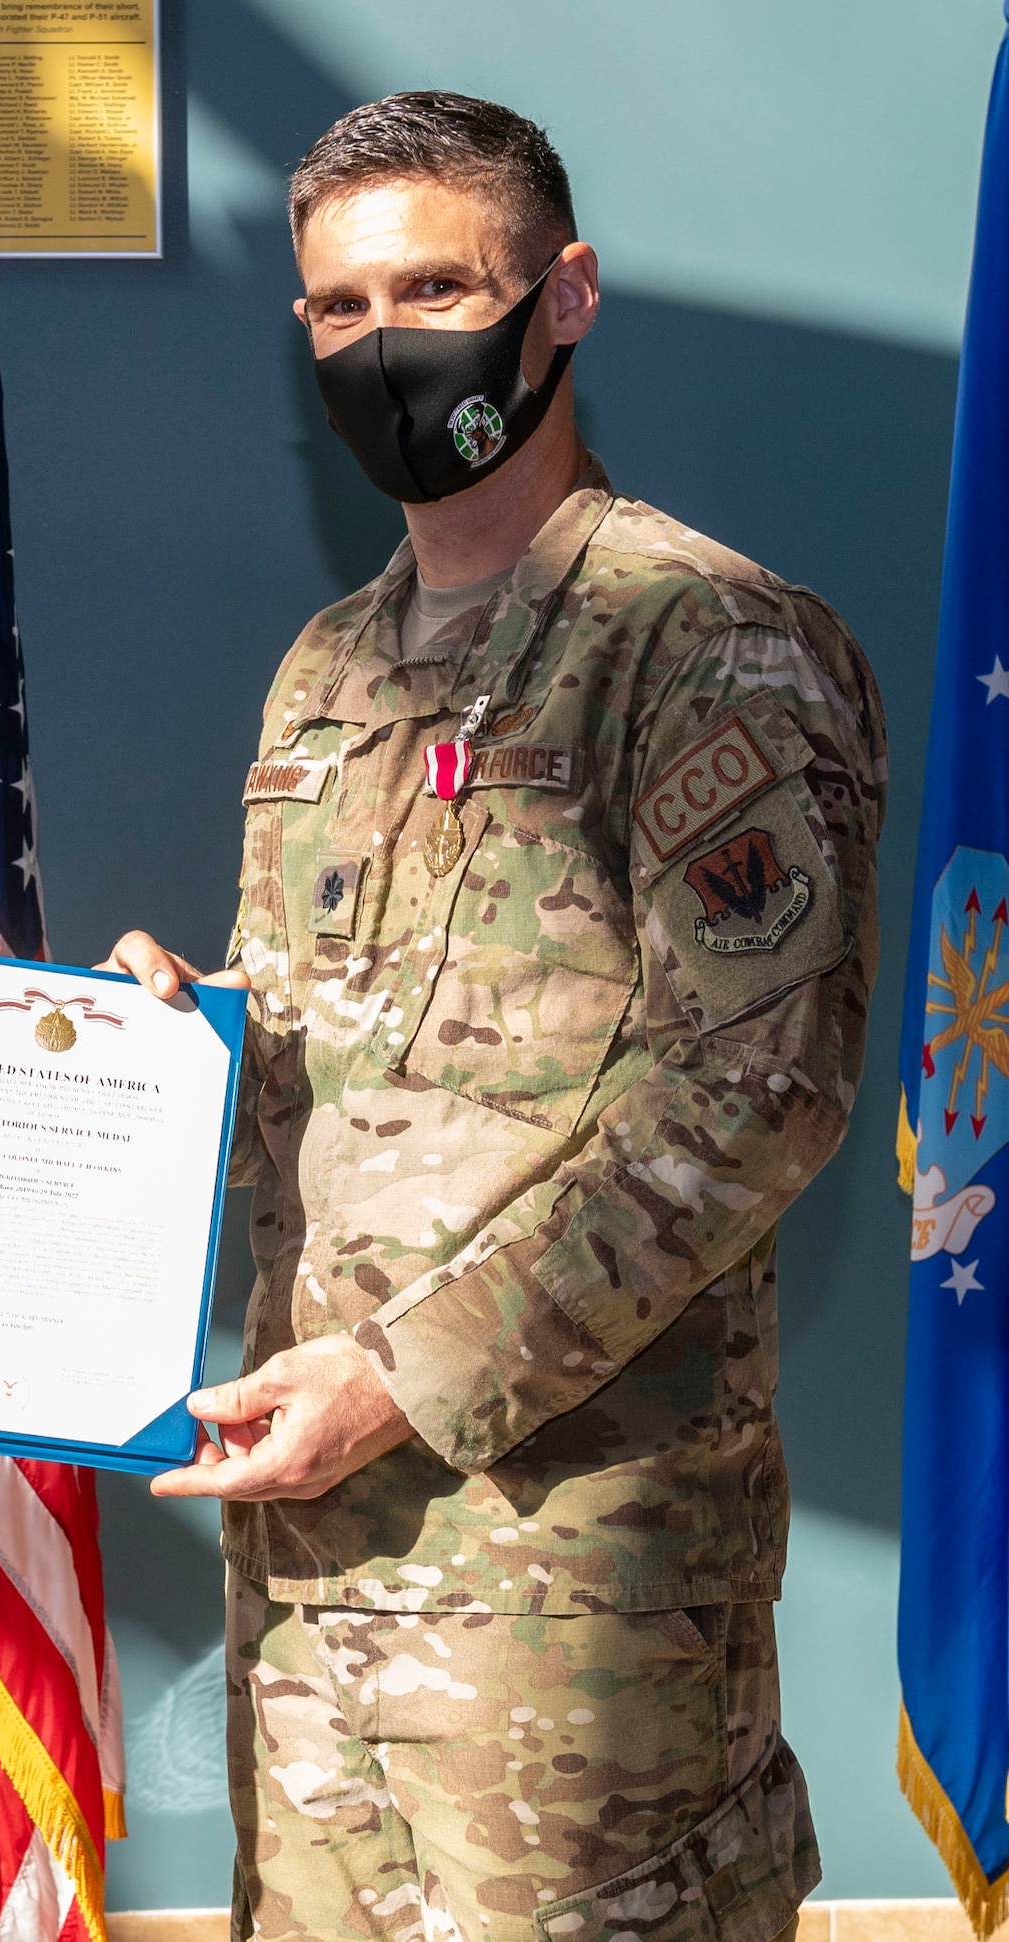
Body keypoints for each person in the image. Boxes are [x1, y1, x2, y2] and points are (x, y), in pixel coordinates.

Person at [106, 94, 885, 1942]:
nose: (389, 344)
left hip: (575, 1617)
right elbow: (351, 1046)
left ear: (566, 296)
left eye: (438, 283)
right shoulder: (330, 671)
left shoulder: (698, 640)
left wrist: (394, 1380)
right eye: (341, 307)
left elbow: (757, 1092)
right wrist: (168, 1043)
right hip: (313, 1586)